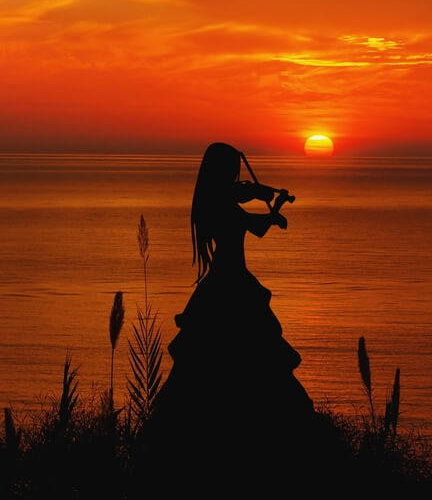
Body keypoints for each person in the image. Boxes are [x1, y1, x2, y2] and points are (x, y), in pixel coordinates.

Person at [138, 143, 342, 498]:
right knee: (256, 361)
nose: (237, 178)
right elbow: (246, 215)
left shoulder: (215, 200)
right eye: (232, 170)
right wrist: (269, 207)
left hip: (224, 283)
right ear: (222, 172)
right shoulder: (219, 203)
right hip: (231, 285)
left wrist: (269, 207)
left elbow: (247, 214)